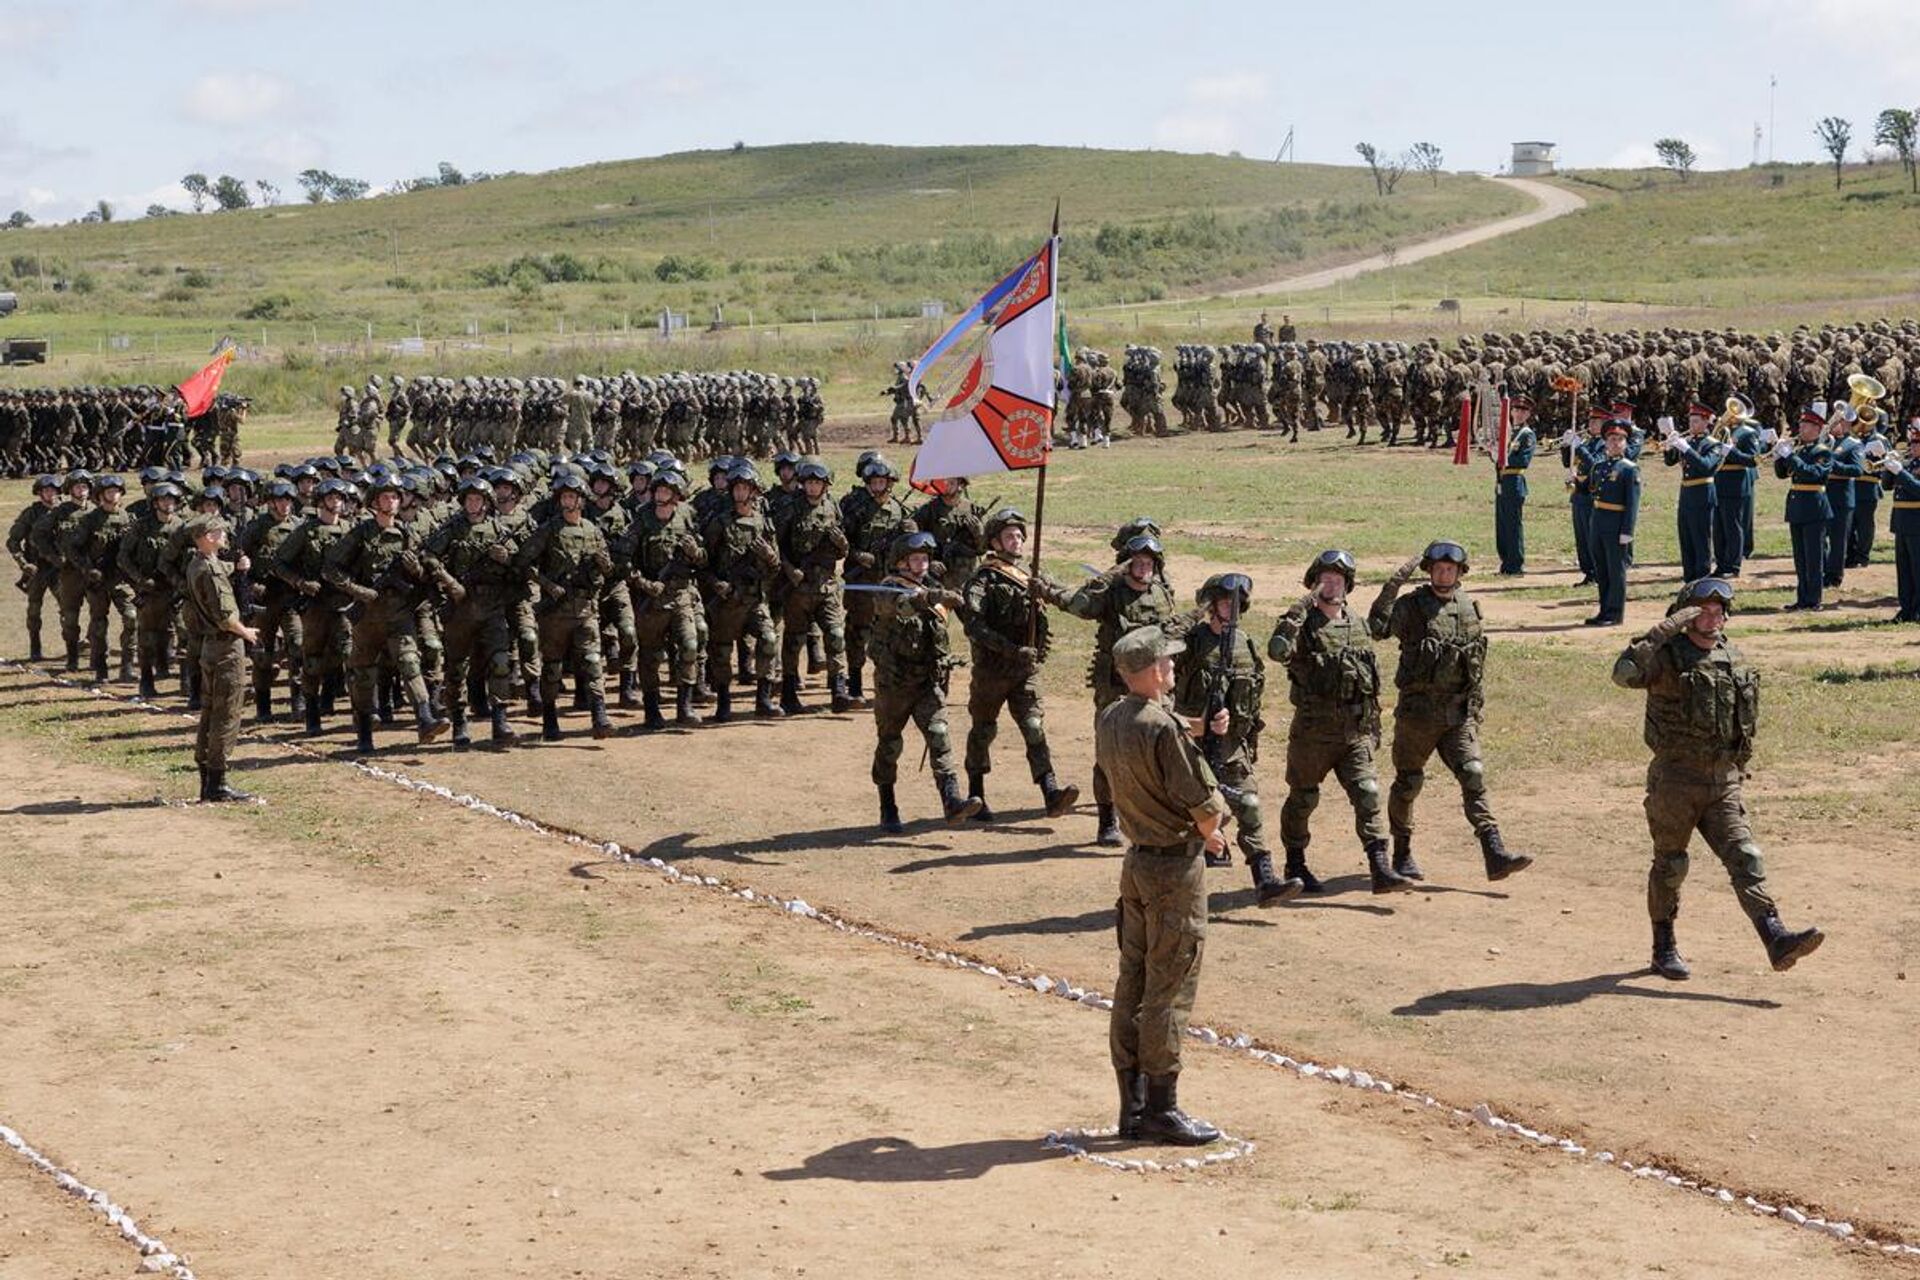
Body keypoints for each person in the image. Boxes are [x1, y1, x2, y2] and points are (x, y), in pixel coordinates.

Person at [1610, 578, 1824, 978]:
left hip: (1722, 781)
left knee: (1746, 858)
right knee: (1671, 866)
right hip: (1675, 781)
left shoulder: (1733, 656)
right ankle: (1663, 947)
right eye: (1704, 610)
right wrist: (1663, 630)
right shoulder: (1666, 657)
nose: (1714, 617)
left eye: (1720, 610)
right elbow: (1623, 674)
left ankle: (1775, 936)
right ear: (1685, 614)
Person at [1098, 625, 1229, 1147]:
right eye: (1169, 665)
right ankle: (1162, 1108)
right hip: (1176, 869)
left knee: (1132, 980)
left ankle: (1131, 1106)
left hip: (1137, 865)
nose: (1174, 671)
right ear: (1153, 671)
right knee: (1170, 985)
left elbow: (1157, 733)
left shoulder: (1112, 717)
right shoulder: (1163, 728)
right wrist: (1214, 833)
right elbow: (1203, 804)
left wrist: (1199, 727)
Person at [1367, 541, 1532, 881]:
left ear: (1460, 572)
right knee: (1409, 783)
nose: (1444, 573)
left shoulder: (1469, 608)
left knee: (1473, 773)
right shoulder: (1412, 607)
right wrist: (1394, 583)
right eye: (1439, 568)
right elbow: (1378, 628)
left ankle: (1494, 850)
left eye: (1451, 569)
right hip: (1418, 717)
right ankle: (1402, 853)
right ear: (1429, 571)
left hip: (1458, 716)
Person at [1267, 549, 1410, 893]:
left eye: (1338, 579)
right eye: (1324, 579)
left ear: (1347, 585)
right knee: (1303, 799)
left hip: (1353, 733)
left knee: (1368, 794)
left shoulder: (1357, 624)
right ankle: (1296, 863)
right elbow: (1277, 652)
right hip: (1313, 735)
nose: (1331, 585)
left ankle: (1379, 866)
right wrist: (1294, 615)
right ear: (1313, 585)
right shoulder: (1301, 626)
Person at [1174, 572, 1302, 904]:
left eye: (1235, 603)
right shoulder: (1191, 640)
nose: (1230, 609)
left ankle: (1265, 879)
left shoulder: (1244, 644)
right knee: (1189, 817)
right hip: (1190, 745)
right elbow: (1159, 655)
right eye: (1222, 602)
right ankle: (1182, 887)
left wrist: (1236, 724)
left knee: (1249, 804)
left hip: (1232, 747)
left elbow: (1252, 695)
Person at [1062, 522, 1182, 846]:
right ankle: (1106, 819)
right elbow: (1077, 606)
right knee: (1108, 753)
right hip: (1114, 686)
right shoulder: (1110, 593)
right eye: (1137, 562)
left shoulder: (1161, 594)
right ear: (1125, 563)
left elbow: (1171, 635)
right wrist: (1108, 576)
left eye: (1149, 563)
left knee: (1162, 748)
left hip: (1155, 686)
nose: (1144, 568)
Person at [959, 508, 1080, 820]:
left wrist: (1051, 591)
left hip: (1025, 672)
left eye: (1018, 535)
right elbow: (974, 626)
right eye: (1009, 536)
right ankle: (976, 794)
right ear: (995, 542)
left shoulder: (1032, 573)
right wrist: (1011, 649)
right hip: (992, 672)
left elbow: (1064, 596)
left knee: (1034, 727)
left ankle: (1050, 791)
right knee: (983, 731)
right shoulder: (982, 578)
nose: (1016, 541)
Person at [323, 474, 454, 753]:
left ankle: (425, 718)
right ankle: (365, 732)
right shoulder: (360, 534)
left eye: (395, 497)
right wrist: (358, 591)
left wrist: (416, 570)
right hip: (367, 617)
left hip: (398, 614)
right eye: (385, 497)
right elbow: (331, 569)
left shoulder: (407, 534)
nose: (391, 502)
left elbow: (425, 576)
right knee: (364, 674)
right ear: (374, 502)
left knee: (410, 663)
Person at [869, 531, 981, 831]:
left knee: (940, 736)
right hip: (895, 684)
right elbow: (900, 607)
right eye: (916, 559)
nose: (922, 565)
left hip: (927, 683)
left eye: (925, 559)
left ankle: (952, 802)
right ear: (901, 563)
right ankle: (888, 805)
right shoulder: (887, 589)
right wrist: (931, 597)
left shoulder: (934, 588)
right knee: (890, 745)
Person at [181, 513, 258, 803]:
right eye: (220, 533)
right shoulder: (209, 571)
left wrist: (238, 568)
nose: (224, 537)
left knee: (210, 711)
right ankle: (218, 781)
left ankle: (207, 776)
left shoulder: (199, 563)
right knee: (226, 713)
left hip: (210, 647)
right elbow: (226, 617)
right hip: (226, 647)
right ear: (209, 536)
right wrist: (247, 633)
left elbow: (219, 571)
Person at [1773, 408, 1833, 612]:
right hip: (1798, 507)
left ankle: (1814, 599)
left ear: (1817, 429)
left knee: (1814, 558)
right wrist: (1779, 456)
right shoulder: (1800, 450)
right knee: (1800, 558)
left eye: (1806, 425)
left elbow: (1813, 474)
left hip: (1815, 508)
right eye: (1801, 425)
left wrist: (1790, 456)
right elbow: (1782, 474)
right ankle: (1802, 598)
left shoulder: (1822, 451)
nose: (1801, 428)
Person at [1660, 405, 1726, 584]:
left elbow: (1706, 466)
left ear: (1706, 422)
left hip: (1703, 493)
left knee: (1701, 538)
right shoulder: (1688, 440)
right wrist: (1670, 444)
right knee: (1686, 537)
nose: (1692, 424)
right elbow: (1670, 461)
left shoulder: (1714, 444)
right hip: (1686, 493)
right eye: (1690, 421)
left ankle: (1702, 579)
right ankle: (1689, 579)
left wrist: (1686, 449)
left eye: (1696, 421)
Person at [1585, 414, 1639, 626]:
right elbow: (1590, 490)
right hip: (1598, 521)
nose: (1615, 443)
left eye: (1619, 440)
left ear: (1625, 443)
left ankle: (1615, 613)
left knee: (1616, 570)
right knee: (1602, 568)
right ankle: (1604, 609)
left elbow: (1632, 504)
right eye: (1611, 440)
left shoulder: (1629, 469)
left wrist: (1628, 531)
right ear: (1605, 443)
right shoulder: (1600, 467)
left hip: (1616, 524)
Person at [1711, 405, 1767, 578]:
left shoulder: (1747, 433)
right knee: (1718, 528)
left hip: (1736, 484)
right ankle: (1721, 564)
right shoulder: (1723, 431)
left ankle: (1733, 566)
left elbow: (1754, 460)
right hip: (1718, 482)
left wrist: (1732, 452)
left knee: (1733, 526)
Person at [1492, 394, 1536, 575]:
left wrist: (1503, 458)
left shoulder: (1527, 435)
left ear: (1528, 414)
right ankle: (1505, 562)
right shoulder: (1508, 432)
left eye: (1523, 411)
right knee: (1501, 525)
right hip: (1501, 481)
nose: (1518, 413)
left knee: (1512, 525)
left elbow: (1523, 460)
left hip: (1514, 481)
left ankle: (1515, 564)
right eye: (1516, 409)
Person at [1883, 422, 1920, 621]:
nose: (1912, 447)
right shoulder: (1910, 463)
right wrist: (1888, 467)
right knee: (1904, 570)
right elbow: (1887, 486)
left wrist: (1900, 472)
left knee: (1917, 569)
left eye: (1917, 443)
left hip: (1917, 522)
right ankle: (1906, 609)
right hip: (1902, 522)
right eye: (1912, 442)